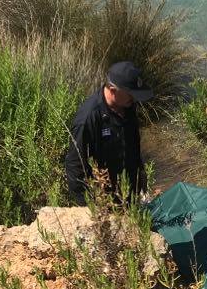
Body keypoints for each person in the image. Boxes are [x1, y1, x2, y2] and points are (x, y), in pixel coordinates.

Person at [65, 61, 153, 204]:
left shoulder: (127, 105)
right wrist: (89, 207)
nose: (134, 98)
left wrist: (140, 171)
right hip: (104, 198)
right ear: (113, 90)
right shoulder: (88, 119)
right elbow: (75, 166)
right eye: (131, 94)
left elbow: (133, 142)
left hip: (128, 190)